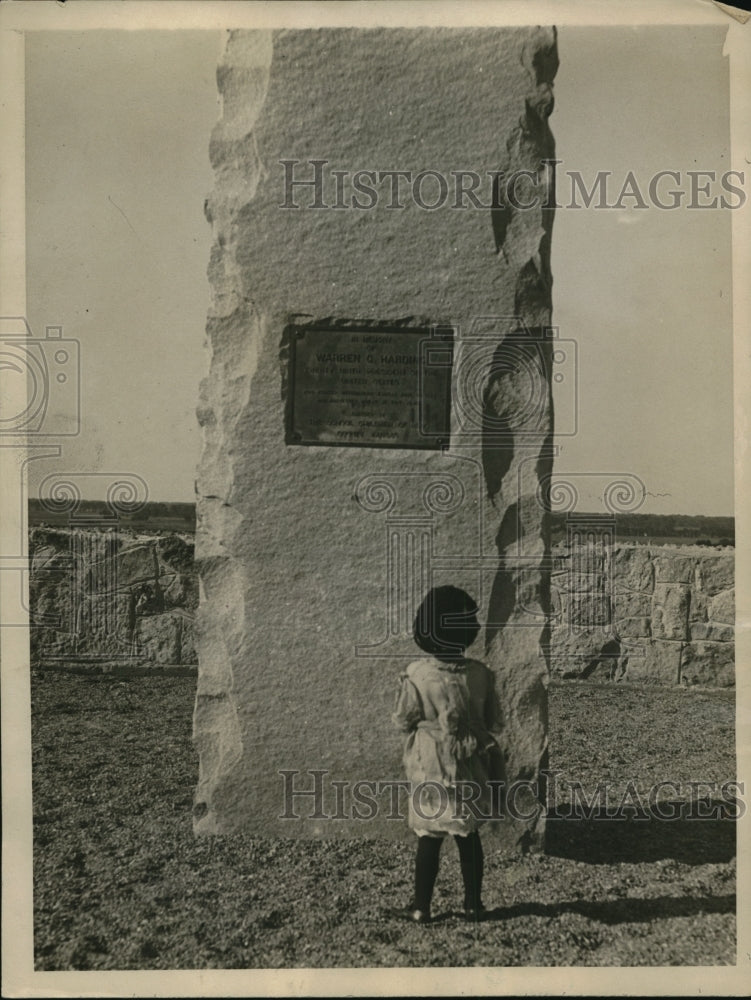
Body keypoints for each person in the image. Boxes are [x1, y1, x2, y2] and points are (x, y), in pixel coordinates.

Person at [392, 585, 504, 924]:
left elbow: (402, 719)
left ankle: (421, 906)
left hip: (432, 765)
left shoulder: (417, 674)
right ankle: (473, 904)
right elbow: (494, 721)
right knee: (467, 835)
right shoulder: (481, 674)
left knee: (429, 836)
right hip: (469, 764)